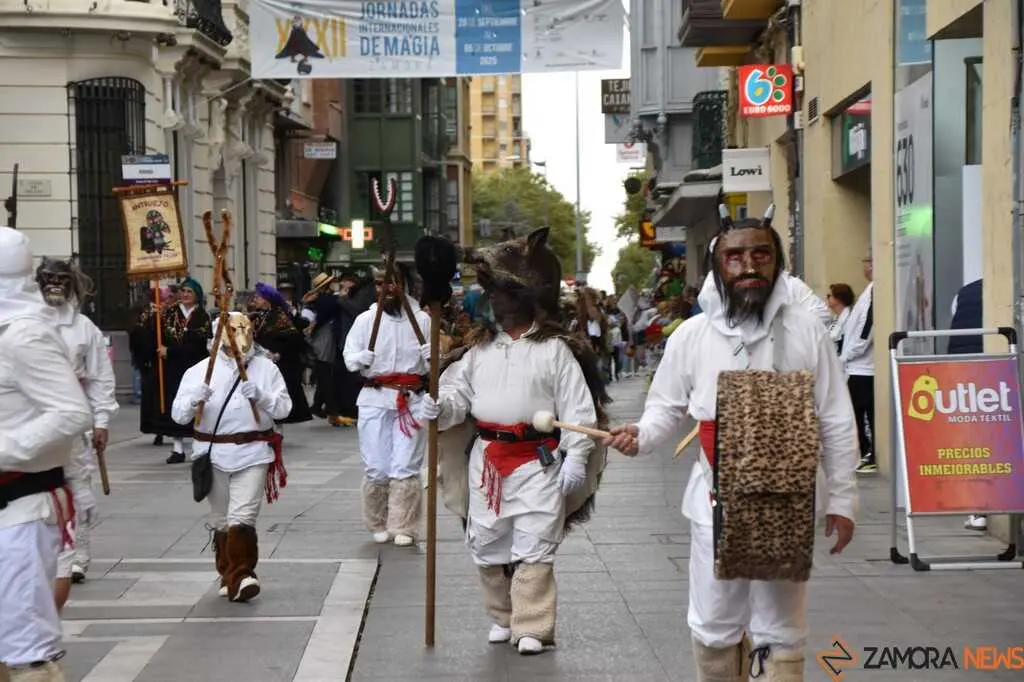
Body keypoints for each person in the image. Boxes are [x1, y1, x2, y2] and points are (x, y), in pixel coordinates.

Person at [603, 207, 858, 682]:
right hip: (713, 502)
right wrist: (640, 435)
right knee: (716, 622)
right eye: (735, 256)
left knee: (781, 628)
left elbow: (836, 419)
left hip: (789, 502)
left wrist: (843, 499)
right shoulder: (693, 337)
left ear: (776, 262)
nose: (748, 266)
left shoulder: (808, 331)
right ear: (718, 265)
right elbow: (665, 408)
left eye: (760, 254)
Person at [421, 227, 609, 656]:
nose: (495, 301)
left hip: (538, 459)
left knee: (536, 541)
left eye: (504, 292)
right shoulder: (477, 350)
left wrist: (576, 457)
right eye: (492, 292)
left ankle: (533, 625)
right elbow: (456, 400)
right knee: (488, 543)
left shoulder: (556, 350)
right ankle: (503, 618)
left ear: (526, 296)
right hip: (488, 459)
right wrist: (440, 409)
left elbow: (579, 409)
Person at [0, 227, 93, 681]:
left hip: (20, 510)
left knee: (24, 649)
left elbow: (71, 412)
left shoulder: (24, 337)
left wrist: (5, 450)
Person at [171, 312, 292, 602]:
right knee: (221, 519)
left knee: (243, 517)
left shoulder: (266, 369)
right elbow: (178, 415)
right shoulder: (199, 371)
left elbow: (284, 409)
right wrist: (193, 400)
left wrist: (263, 396)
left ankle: (243, 575)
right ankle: (229, 574)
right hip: (211, 454)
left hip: (253, 452)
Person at [35, 258, 119, 608]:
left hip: (73, 424)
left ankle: (77, 556)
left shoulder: (84, 328)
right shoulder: (23, 322)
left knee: (78, 489)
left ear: (72, 283)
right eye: (48, 279)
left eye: (61, 279)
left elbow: (100, 378)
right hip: (31, 423)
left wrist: (101, 421)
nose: (55, 284)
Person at [342, 263, 431, 547]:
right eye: (380, 285)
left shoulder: (422, 321)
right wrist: (360, 359)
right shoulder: (366, 321)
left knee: (405, 465)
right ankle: (377, 521)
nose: (386, 290)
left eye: (391, 284)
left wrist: (433, 356)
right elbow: (349, 356)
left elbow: (435, 367)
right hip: (375, 399)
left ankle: (404, 524)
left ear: (403, 286)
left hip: (410, 400)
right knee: (377, 467)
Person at [132, 277, 211, 463]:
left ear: (197, 296)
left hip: (194, 367)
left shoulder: (202, 317)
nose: (184, 295)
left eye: (189, 292)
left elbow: (198, 345)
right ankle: (177, 449)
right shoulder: (168, 314)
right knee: (175, 405)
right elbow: (153, 334)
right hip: (172, 369)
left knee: (197, 405)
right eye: (182, 291)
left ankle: (200, 446)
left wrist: (172, 350)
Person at [949, 278, 987, 530]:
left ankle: (979, 510)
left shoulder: (964, 292)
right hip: (1000, 370)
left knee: (977, 441)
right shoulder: (1009, 286)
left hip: (967, 374)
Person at [249, 282, 312, 425]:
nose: (255, 300)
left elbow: (294, 339)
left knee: (277, 393)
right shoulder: (257, 315)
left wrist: (279, 352)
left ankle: (279, 428)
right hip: (262, 359)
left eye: (257, 297)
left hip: (280, 362)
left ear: (266, 299)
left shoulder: (280, 316)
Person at [840, 250, 876, 473]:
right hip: (856, 366)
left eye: (866, 261)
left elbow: (866, 329)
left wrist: (847, 355)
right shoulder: (868, 290)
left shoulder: (874, 290)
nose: (864, 266)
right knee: (856, 413)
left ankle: (868, 453)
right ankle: (863, 452)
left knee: (863, 413)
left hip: (864, 367)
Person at [825, 283, 856, 354]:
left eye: (829, 296)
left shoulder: (850, 319)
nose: (827, 298)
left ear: (838, 298)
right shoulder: (836, 317)